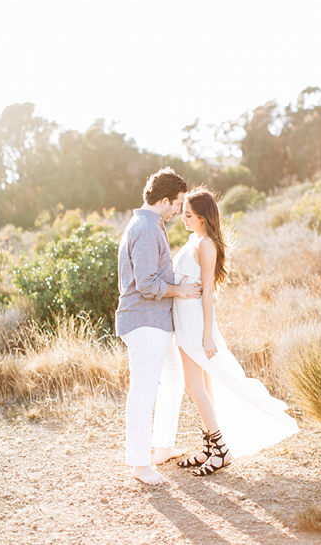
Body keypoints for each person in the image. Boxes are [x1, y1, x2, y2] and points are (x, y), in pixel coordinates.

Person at [173, 187, 298, 476]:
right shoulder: (196, 240)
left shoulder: (205, 246)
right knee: (202, 387)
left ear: (203, 217)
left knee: (195, 387)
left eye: (189, 215)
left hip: (194, 322)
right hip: (185, 319)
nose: (184, 219)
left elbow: (208, 295)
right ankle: (209, 447)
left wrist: (206, 335)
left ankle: (220, 449)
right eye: (183, 214)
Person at [116, 167, 200, 486]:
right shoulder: (148, 229)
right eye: (178, 203)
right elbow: (148, 284)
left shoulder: (150, 224)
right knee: (143, 391)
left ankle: (163, 446)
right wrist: (181, 290)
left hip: (156, 321)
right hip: (144, 320)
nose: (180, 209)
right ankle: (140, 464)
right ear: (165, 201)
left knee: (174, 378)